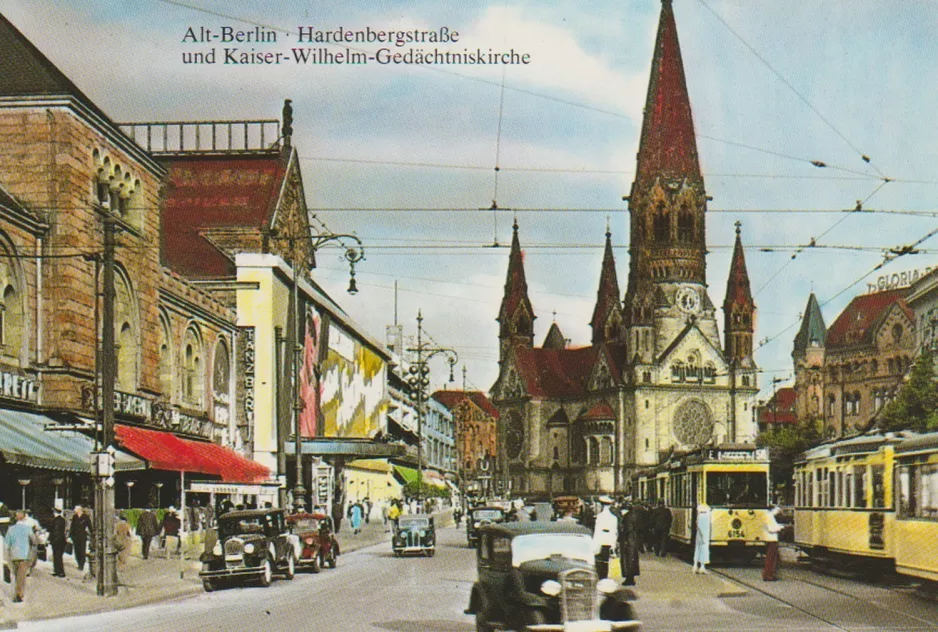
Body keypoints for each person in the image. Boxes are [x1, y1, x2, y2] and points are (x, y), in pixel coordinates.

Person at [4, 510, 36, 603]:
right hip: (24, 555)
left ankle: (16, 592)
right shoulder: (27, 528)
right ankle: (18, 594)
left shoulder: (11, 529)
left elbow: (6, 544)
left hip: (14, 556)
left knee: (16, 574)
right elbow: (34, 540)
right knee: (21, 576)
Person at [592, 496, 618, 580]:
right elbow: (614, 532)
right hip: (609, 541)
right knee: (607, 562)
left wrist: (595, 543)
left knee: (599, 562)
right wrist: (613, 545)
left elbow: (597, 531)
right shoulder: (614, 518)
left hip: (600, 541)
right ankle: (606, 577)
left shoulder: (599, 516)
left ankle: (601, 577)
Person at [618, 499, 641, 586]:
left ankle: (629, 579)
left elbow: (627, 529)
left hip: (628, 541)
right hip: (633, 540)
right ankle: (631, 578)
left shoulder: (627, 517)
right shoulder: (633, 515)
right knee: (632, 560)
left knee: (628, 560)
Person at [68, 505, 93, 572]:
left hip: (82, 536)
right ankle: (78, 562)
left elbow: (89, 526)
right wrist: (70, 536)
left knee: (82, 550)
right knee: (76, 550)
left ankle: (81, 565)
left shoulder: (85, 517)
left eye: (75, 509)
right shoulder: (75, 517)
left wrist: (92, 533)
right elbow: (72, 526)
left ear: (79, 510)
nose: (74, 510)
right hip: (75, 536)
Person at [762, 506, 784, 581]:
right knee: (771, 558)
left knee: (773, 557)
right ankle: (768, 575)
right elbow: (771, 529)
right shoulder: (769, 517)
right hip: (771, 539)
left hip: (770, 539)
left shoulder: (768, 515)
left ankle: (770, 574)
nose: (778, 513)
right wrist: (781, 528)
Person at [693, 503, 711, 574]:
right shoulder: (706, 516)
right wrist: (703, 536)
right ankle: (702, 567)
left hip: (699, 535)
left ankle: (695, 566)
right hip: (704, 536)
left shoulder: (699, 516)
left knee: (697, 549)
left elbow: (697, 525)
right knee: (704, 550)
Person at [50, 507, 67, 578]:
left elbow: (55, 532)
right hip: (61, 540)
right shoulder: (62, 520)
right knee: (58, 556)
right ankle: (58, 571)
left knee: (57, 556)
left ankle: (59, 572)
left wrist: (52, 540)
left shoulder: (56, 520)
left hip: (57, 541)